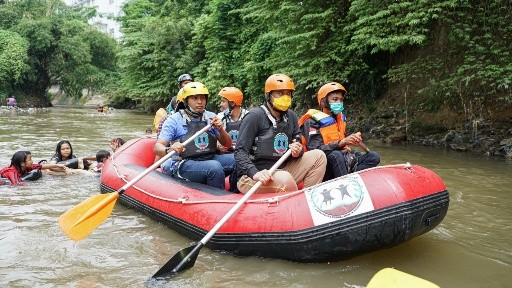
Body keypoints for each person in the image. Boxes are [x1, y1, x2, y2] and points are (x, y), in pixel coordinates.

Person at [234, 74, 327, 194]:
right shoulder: (254, 116)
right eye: (280, 93)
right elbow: (239, 151)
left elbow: (297, 142)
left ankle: (308, 198)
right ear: (268, 95)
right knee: (285, 179)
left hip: (282, 169)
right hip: (254, 176)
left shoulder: (291, 116)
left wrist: (297, 151)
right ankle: (294, 203)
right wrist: (254, 173)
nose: (285, 97)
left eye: (288, 93)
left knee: (319, 156)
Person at [154, 82, 236, 190]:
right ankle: (218, 198)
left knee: (239, 159)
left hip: (209, 157)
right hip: (183, 163)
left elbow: (228, 144)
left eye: (203, 98)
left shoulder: (211, 117)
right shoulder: (174, 120)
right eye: (195, 98)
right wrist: (169, 150)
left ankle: (233, 194)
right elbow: (157, 147)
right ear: (186, 101)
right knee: (214, 167)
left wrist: (220, 130)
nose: (200, 102)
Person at [299, 82, 380, 181]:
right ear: (323, 102)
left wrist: (351, 140)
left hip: (341, 159)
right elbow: (316, 150)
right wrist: (342, 143)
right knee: (336, 155)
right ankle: (346, 184)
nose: (339, 103)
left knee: (373, 157)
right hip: (322, 165)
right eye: (335, 99)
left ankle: (352, 180)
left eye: (341, 100)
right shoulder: (311, 121)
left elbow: (341, 142)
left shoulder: (339, 119)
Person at [0, 151, 68, 186]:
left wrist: (58, 165)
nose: (32, 161)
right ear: (22, 164)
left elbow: (42, 166)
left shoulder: (26, 166)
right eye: (30, 159)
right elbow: (16, 184)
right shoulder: (12, 172)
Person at [216, 87, 249, 152]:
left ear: (232, 103)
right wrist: (218, 146)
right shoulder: (219, 117)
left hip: (244, 152)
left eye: (223, 101)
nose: (221, 104)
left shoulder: (248, 116)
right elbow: (216, 138)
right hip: (227, 153)